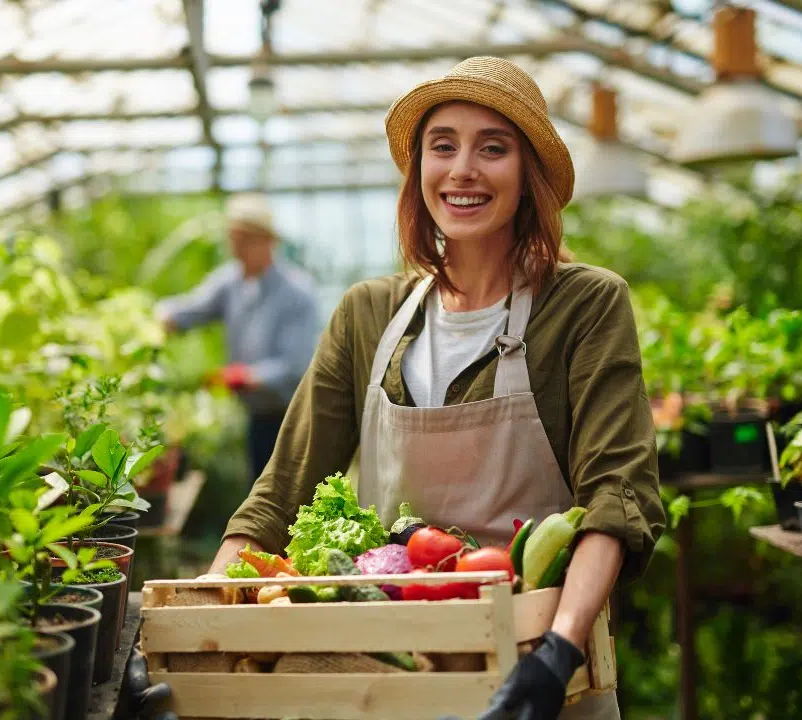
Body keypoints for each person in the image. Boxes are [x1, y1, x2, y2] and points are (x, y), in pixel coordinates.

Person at [202, 57, 664, 719]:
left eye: (493, 148)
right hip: (390, 676)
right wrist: (199, 616)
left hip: (539, 672)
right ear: (419, 169)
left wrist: (559, 651)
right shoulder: (368, 314)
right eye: (442, 146)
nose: (463, 169)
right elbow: (279, 494)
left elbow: (616, 496)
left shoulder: (583, 306)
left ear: (528, 174)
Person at [154, 193, 321, 480]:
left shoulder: (298, 292)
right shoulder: (230, 282)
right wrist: (157, 316)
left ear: (267, 241)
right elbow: (192, 309)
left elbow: (295, 364)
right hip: (257, 414)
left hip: (294, 416)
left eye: (244, 241)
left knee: (293, 489)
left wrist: (247, 376)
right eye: (233, 240)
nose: (236, 250)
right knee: (260, 484)